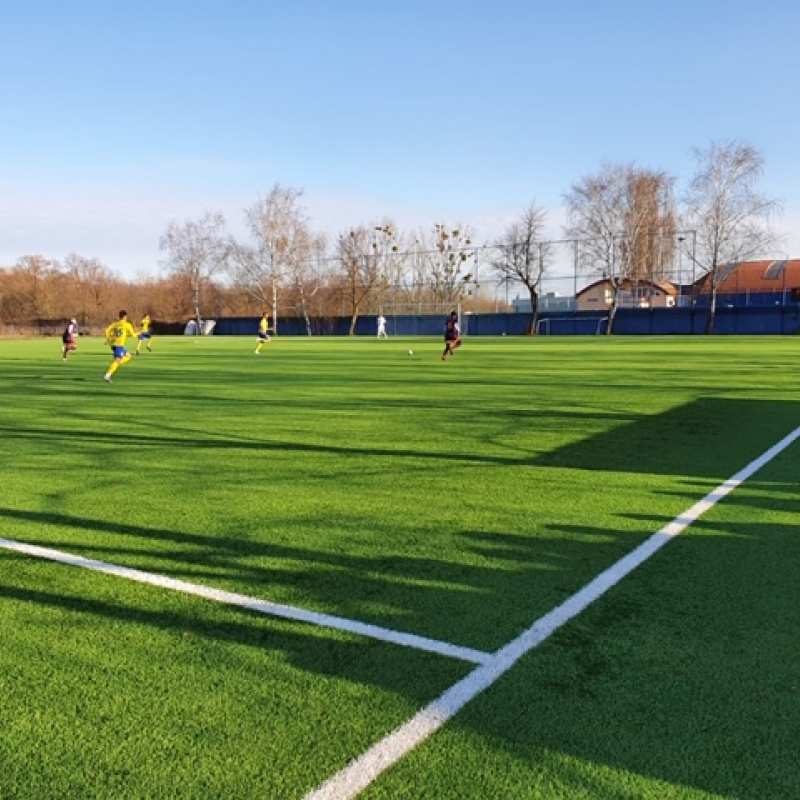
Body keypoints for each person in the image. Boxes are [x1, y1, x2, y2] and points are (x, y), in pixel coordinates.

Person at [103, 310, 138, 382]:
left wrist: (108, 339)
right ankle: (108, 375)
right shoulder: (127, 325)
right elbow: (133, 335)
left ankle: (116, 364)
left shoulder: (115, 324)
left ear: (119, 316)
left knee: (128, 356)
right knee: (117, 360)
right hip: (118, 345)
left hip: (115, 344)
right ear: (125, 317)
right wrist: (139, 333)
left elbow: (107, 330)